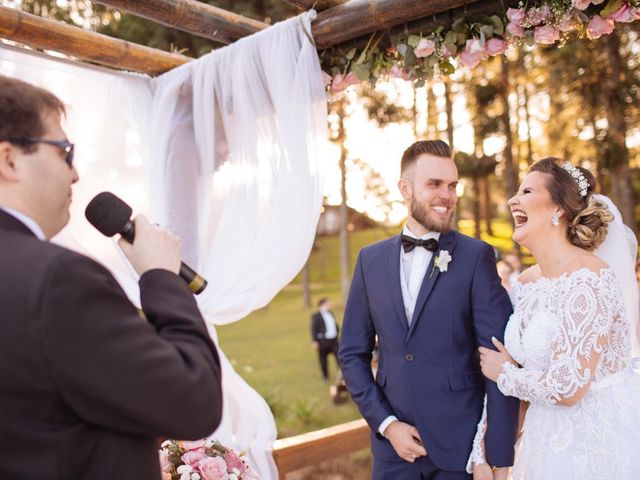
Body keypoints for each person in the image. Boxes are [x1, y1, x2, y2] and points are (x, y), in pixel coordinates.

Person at [0, 76, 223, 480]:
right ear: (9, 159)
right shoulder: (56, 280)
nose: (76, 175)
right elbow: (194, 401)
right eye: (65, 153)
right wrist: (161, 278)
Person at [339, 140, 518, 480]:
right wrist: (388, 426)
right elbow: (351, 354)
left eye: (452, 185)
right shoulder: (369, 260)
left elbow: (499, 360)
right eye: (434, 184)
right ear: (405, 189)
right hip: (393, 456)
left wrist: (496, 455)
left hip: (462, 454)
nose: (447, 195)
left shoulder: (476, 257)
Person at [476, 157, 640, 479]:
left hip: (595, 445)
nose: (513, 200)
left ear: (557, 210)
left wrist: (505, 373)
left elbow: (570, 387)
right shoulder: (523, 285)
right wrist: (489, 453)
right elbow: (528, 381)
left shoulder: (589, 278)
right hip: (543, 442)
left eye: (526, 191)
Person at [311, 297, 341, 384]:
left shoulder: (330, 313)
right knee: (323, 360)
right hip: (323, 341)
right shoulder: (316, 316)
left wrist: (338, 330)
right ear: (322, 305)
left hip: (334, 341)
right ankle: (325, 377)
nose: (329, 305)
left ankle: (342, 375)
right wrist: (314, 341)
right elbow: (313, 329)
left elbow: (333, 324)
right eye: (327, 303)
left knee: (340, 358)